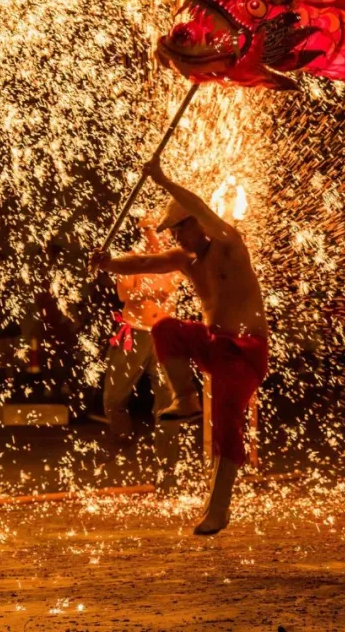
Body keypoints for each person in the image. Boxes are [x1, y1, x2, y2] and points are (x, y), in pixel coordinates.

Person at [90, 153, 268, 535]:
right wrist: (107, 264)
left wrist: (163, 179)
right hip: (214, 343)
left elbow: (201, 205)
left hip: (245, 351)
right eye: (171, 232)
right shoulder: (185, 258)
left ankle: (218, 509)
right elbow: (139, 265)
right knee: (166, 329)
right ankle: (184, 397)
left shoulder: (230, 244)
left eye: (178, 230)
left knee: (225, 423)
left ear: (197, 224)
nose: (174, 238)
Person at [95, 217, 180, 441]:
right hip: (135, 332)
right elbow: (124, 294)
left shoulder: (172, 261)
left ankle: (167, 451)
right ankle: (121, 440)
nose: (158, 237)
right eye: (152, 231)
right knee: (114, 396)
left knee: (168, 397)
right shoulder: (130, 260)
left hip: (165, 334)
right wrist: (150, 294)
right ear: (144, 233)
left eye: (162, 232)